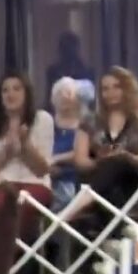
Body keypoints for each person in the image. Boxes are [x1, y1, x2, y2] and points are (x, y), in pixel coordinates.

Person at [0, 71, 54, 244]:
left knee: (19, 207)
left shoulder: (43, 119)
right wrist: (7, 151)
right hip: (1, 184)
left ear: (27, 93)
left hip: (35, 184)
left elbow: (42, 170)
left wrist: (25, 145)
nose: (10, 94)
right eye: (5, 90)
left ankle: (12, 254)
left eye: (17, 89)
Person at [71, 67, 138, 219]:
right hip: (96, 181)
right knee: (107, 165)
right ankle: (83, 208)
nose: (110, 93)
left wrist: (127, 157)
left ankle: (74, 210)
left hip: (130, 186)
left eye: (116, 87)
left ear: (127, 89)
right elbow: (80, 161)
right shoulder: (89, 122)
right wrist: (100, 161)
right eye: (105, 89)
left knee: (118, 162)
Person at [49, 77, 92, 212]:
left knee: (65, 196)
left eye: (68, 93)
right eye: (59, 93)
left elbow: (81, 152)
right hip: (46, 175)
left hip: (73, 178)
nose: (63, 97)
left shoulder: (87, 124)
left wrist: (55, 159)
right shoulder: (46, 123)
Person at [45, 31, 94, 108]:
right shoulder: (53, 71)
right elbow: (50, 98)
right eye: (66, 48)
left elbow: (90, 101)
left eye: (71, 48)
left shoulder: (87, 72)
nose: (69, 51)